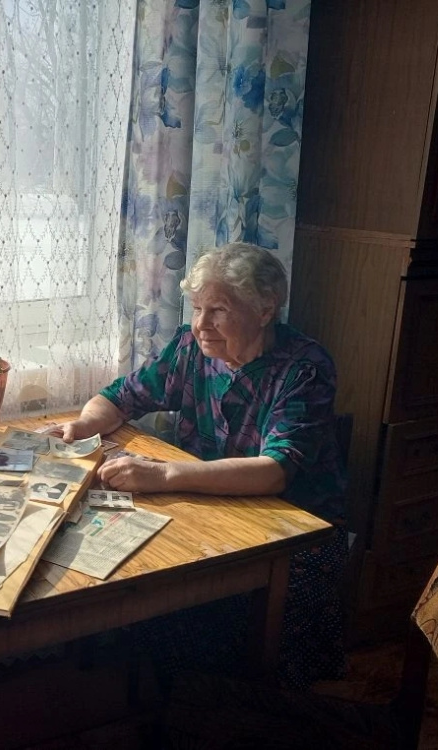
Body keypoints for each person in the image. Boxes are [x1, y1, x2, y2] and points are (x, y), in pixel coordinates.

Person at [53, 242, 347, 689]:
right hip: (210, 511)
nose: (202, 324)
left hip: (292, 535)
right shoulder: (191, 348)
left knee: (175, 608)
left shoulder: (305, 369)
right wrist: (83, 426)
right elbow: (120, 397)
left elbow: (275, 471)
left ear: (265, 310)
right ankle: (170, 695)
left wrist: (162, 474)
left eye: (219, 310)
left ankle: (230, 704)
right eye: (197, 309)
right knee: (123, 575)